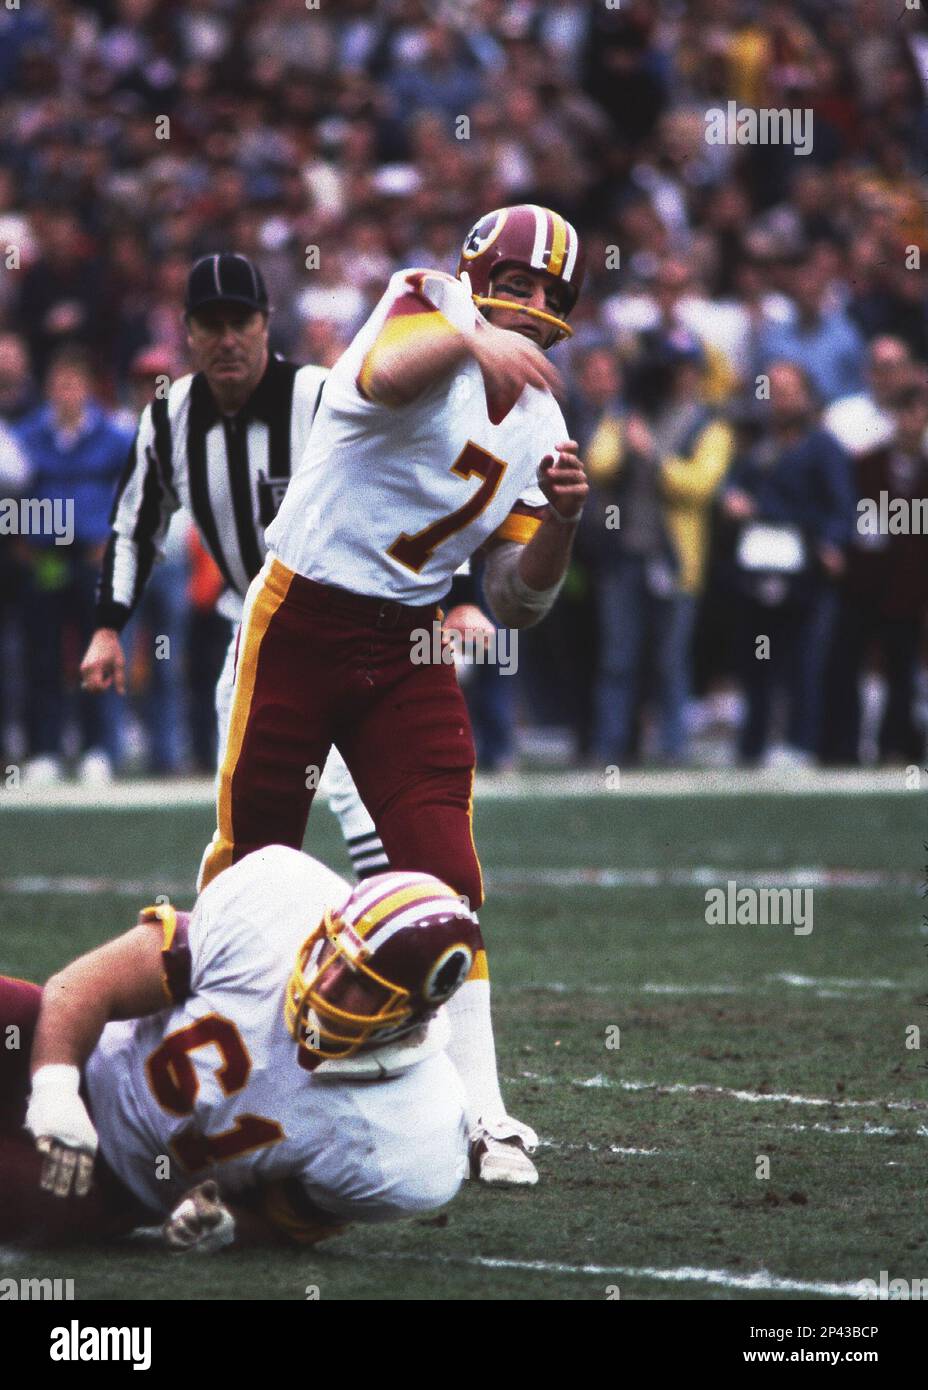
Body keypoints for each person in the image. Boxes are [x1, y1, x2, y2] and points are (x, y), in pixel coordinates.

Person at [197, 205, 589, 1184]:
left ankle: (484, 1115)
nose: (534, 305)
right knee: (254, 865)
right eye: (521, 283)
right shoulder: (427, 302)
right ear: (478, 274)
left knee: (446, 870)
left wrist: (563, 524)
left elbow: (514, 600)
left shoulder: (543, 417)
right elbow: (380, 374)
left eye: (552, 294)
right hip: (301, 615)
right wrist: (472, 341)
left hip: (408, 639)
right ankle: (202, 1089)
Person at [80, 253, 391, 880]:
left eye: (240, 322)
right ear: (187, 333)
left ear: (266, 323)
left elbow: (397, 489)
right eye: (210, 324)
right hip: (251, 630)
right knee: (248, 809)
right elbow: (135, 529)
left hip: (348, 622)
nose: (226, 340)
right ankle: (257, 948)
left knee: (364, 797)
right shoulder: (167, 423)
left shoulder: (320, 398)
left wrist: (454, 594)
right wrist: (109, 626)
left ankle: (403, 934)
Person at [0, 847, 481, 1249]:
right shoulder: (279, 899)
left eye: (361, 982)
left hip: (108, 1180)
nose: (328, 978)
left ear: (410, 1012)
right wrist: (55, 1087)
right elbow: (88, 986)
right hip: (62, 1049)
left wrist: (226, 1226)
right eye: (333, 949)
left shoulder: (409, 1135)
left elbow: (289, 1222)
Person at [720, 361, 855, 766]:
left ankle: (802, 742)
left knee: (804, 660)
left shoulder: (822, 446)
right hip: (759, 567)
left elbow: (841, 506)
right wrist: (732, 499)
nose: (781, 398)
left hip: (805, 569)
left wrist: (832, 543)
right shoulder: (759, 447)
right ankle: (753, 743)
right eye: (774, 389)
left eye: (790, 389)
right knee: (757, 659)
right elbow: (733, 485)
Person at [17, 346, 130, 784]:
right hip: (45, 561)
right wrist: (19, 539)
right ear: (48, 390)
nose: (66, 393)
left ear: (86, 388)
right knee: (41, 655)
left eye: (73, 383)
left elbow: (134, 494)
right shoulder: (27, 437)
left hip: (90, 559)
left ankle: (96, 749)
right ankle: (43, 749)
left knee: (94, 654)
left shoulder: (113, 437)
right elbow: (12, 493)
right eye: (58, 385)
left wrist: (114, 541)